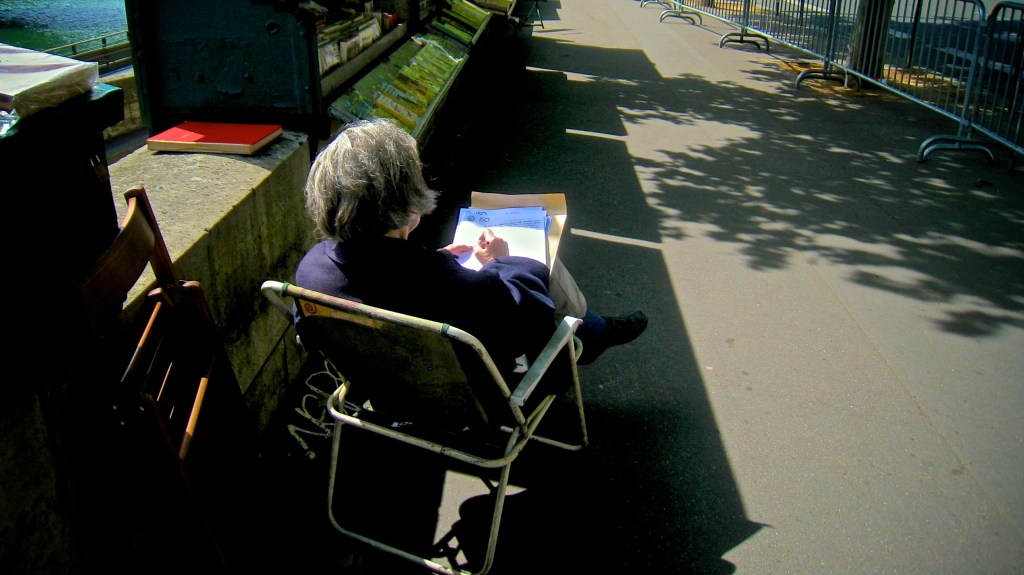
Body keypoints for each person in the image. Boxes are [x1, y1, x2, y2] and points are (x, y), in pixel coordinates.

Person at [295, 118, 647, 378]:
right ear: (406, 200)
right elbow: (526, 321)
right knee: (553, 286)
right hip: (466, 397)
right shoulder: (444, 284)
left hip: (380, 384)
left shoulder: (311, 270)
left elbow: (383, 285)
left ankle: (597, 330)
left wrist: (435, 260)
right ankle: (595, 332)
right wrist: (504, 261)